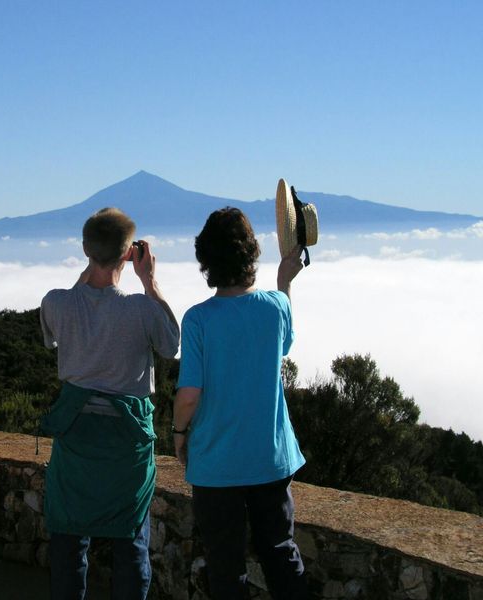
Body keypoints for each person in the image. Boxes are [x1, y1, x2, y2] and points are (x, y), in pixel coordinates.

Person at [39, 207, 180, 600]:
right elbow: (171, 345)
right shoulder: (141, 309)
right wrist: (150, 281)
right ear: (127, 254)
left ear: (85, 249)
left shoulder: (56, 303)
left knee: (68, 539)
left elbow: (50, 336)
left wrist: (89, 271)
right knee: (130, 541)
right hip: (126, 446)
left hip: (75, 439)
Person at [174, 207, 309, 599]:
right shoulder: (275, 307)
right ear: (251, 255)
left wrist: (179, 434)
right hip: (271, 456)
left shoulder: (198, 319)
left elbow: (189, 395)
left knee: (226, 564)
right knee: (281, 551)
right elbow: (283, 343)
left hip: (216, 464)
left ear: (207, 261)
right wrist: (285, 282)